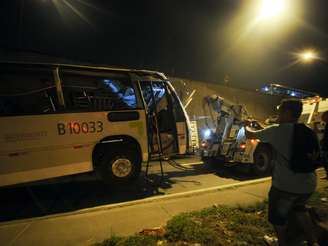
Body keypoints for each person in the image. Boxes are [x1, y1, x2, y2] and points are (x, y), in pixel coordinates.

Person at [245, 99, 319, 246]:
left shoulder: (277, 131)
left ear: (287, 113)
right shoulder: (308, 130)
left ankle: (282, 243)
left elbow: (250, 135)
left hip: (286, 187)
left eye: (280, 111)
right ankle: (313, 242)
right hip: (309, 185)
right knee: (300, 209)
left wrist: (246, 125)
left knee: (277, 218)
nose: (277, 114)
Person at [321, 111, 328, 179]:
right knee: (325, 162)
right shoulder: (326, 124)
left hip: (326, 147)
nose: (322, 117)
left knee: (326, 162)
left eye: (324, 116)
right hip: (325, 146)